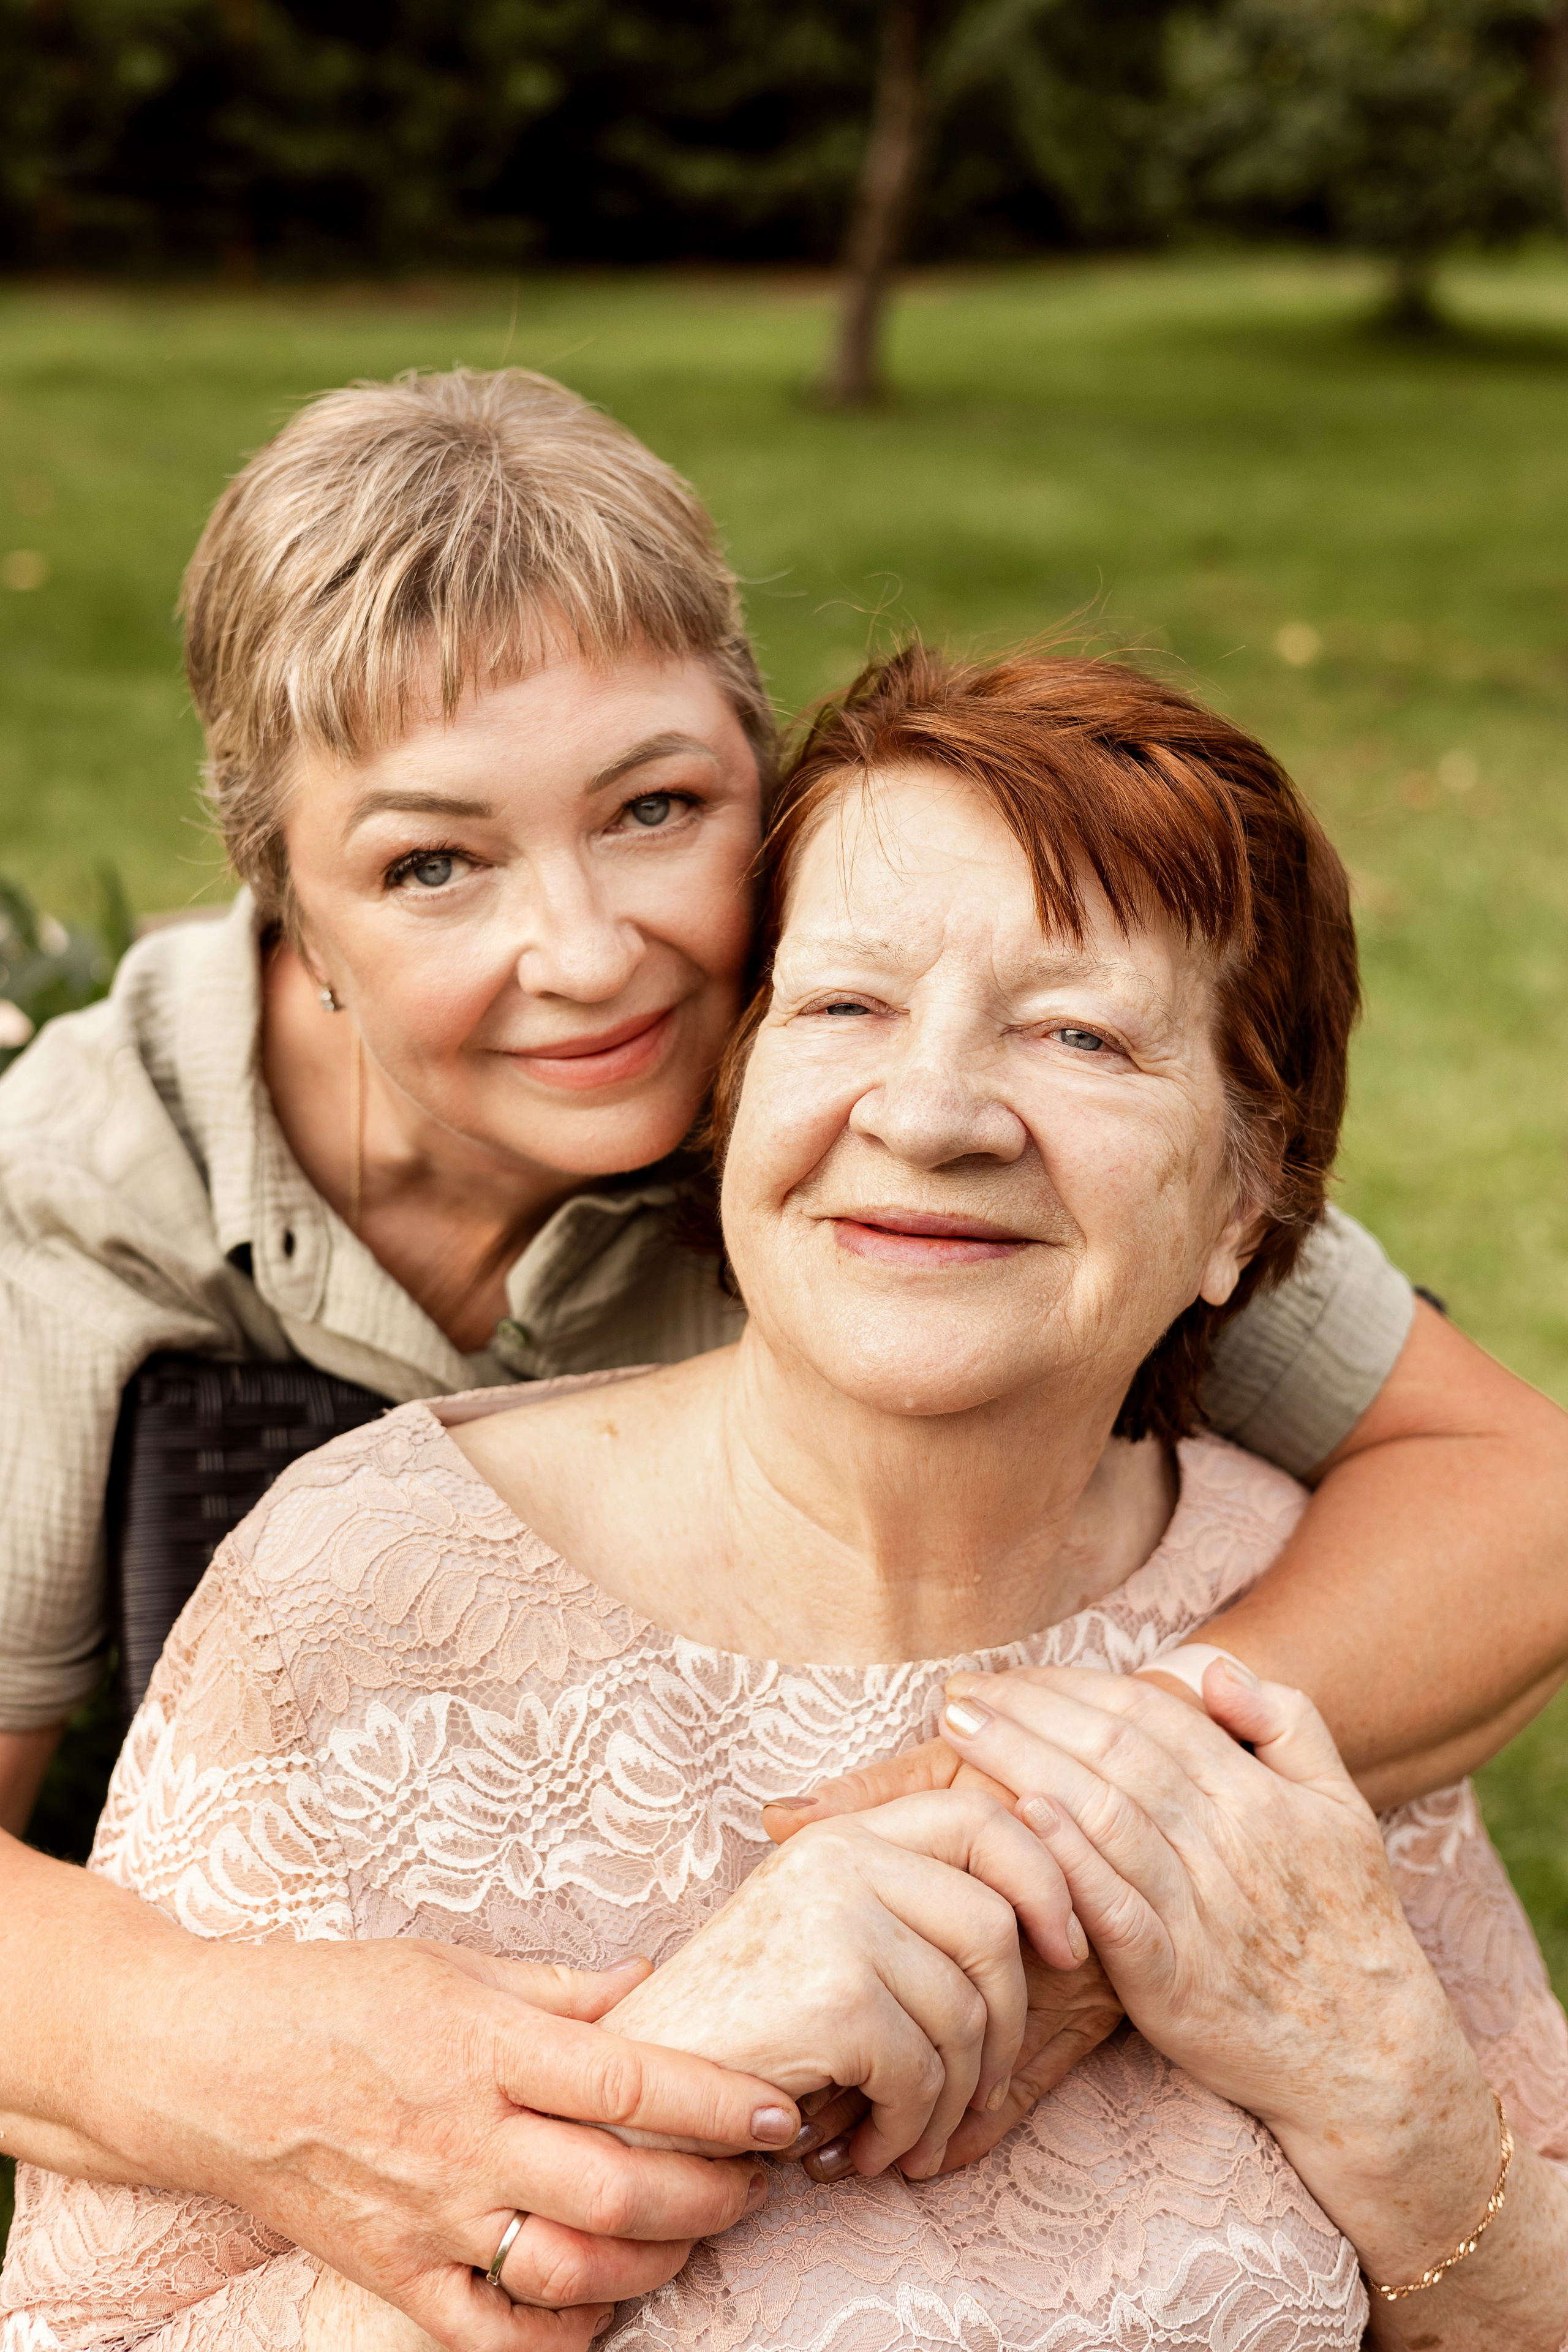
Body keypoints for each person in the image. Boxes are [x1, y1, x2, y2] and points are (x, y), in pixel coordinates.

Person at [1, 376, 1567, 2345]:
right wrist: (293, 2063)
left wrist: (1072, 1845)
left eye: (655, 810)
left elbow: (1513, 1490)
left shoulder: (894, 1061)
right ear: (284, 909)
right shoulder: (75, 1194)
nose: (588, 955)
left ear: (760, 782)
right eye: (428, 868)